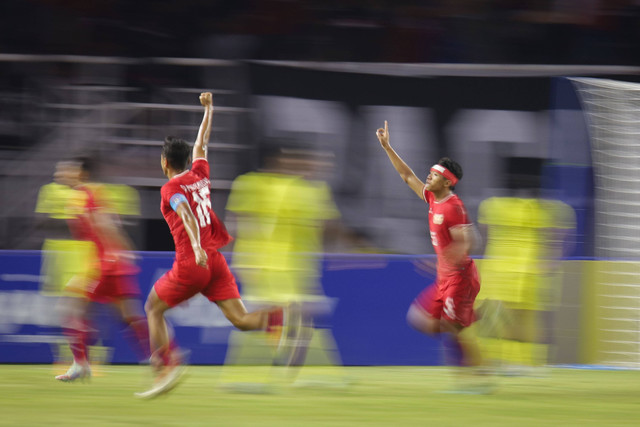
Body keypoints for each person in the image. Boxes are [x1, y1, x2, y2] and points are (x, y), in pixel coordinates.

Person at [136, 92, 285, 398]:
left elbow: (186, 213)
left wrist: (195, 245)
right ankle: (276, 318)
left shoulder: (170, 188)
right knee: (241, 320)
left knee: (152, 308)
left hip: (194, 261)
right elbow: (202, 143)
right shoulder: (200, 173)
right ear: (187, 160)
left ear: (164, 162)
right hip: (215, 261)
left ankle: (166, 367)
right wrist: (209, 109)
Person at [376, 121, 484, 378]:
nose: (428, 176)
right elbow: (407, 176)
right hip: (445, 277)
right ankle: (478, 317)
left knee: (451, 328)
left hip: (460, 278)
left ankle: (477, 375)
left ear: (447, 182)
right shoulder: (434, 198)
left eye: (434, 175)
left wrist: (445, 258)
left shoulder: (453, 207)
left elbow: (470, 241)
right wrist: (387, 147)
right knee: (421, 320)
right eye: (430, 173)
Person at [55, 156, 150, 382]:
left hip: (104, 264)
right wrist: (124, 250)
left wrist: (122, 248)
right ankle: (156, 356)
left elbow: (105, 223)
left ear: (82, 173)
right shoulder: (87, 194)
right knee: (128, 315)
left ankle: (81, 364)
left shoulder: (85, 194)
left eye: (68, 169)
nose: (62, 173)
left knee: (71, 307)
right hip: (106, 262)